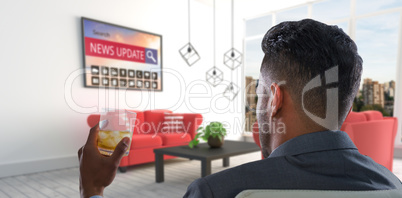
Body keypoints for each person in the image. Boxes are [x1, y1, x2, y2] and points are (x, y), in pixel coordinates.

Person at [78, 19, 402, 198]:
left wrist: (92, 189)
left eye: (259, 92)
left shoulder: (216, 191)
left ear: (275, 99)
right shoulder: (392, 184)